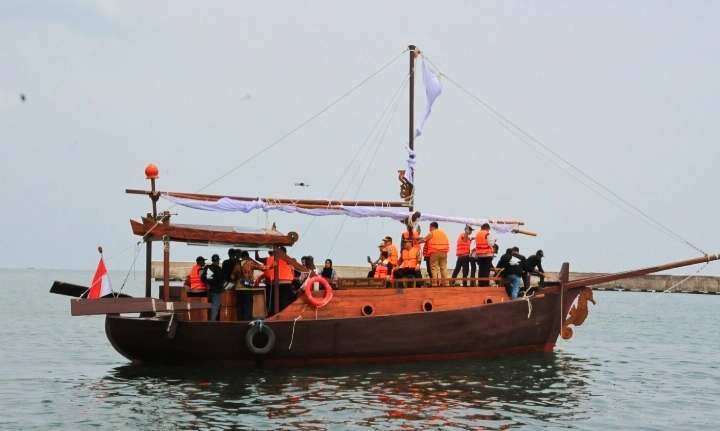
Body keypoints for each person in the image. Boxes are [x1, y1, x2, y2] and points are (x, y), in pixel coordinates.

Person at [264, 246, 307, 313]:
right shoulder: (287, 260)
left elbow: (260, 261)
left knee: (275, 304)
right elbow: (299, 268)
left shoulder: (271, 259)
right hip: (283, 285)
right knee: (284, 303)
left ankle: (275, 316)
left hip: (274, 285)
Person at [232, 250, 264, 320]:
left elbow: (232, 277)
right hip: (247, 288)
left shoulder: (237, 264)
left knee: (240, 306)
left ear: (241, 257)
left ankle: (239, 322)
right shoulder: (251, 263)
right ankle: (246, 322)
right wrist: (252, 260)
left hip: (238, 288)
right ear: (248, 256)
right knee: (248, 305)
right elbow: (262, 267)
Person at [422, 222, 450, 286]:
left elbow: (424, 240)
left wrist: (416, 242)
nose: (429, 229)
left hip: (434, 252)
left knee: (434, 268)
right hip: (444, 252)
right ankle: (446, 283)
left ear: (432, 227)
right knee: (443, 268)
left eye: (430, 227)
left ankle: (435, 283)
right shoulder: (443, 233)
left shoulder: (432, 233)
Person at [201, 254, 224, 321]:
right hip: (216, 291)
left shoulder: (207, 267)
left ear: (212, 260)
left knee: (208, 307)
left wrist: (207, 283)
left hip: (208, 291)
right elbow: (221, 280)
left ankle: (208, 321)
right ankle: (212, 323)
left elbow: (202, 278)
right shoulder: (219, 269)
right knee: (215, 308)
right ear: (217, 261)